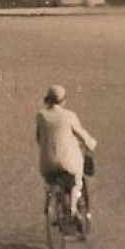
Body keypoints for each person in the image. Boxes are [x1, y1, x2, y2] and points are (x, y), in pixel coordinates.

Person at [36, 84, 97, 223]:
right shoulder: (69, 116)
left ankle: (52, 201)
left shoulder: (41, 116)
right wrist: (91, 143)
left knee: (51, 181)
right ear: (63, 100)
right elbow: (82, 135)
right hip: (67, 163)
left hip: (47, 163)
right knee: (77, 179)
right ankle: (73, 208)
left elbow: (39, 138)